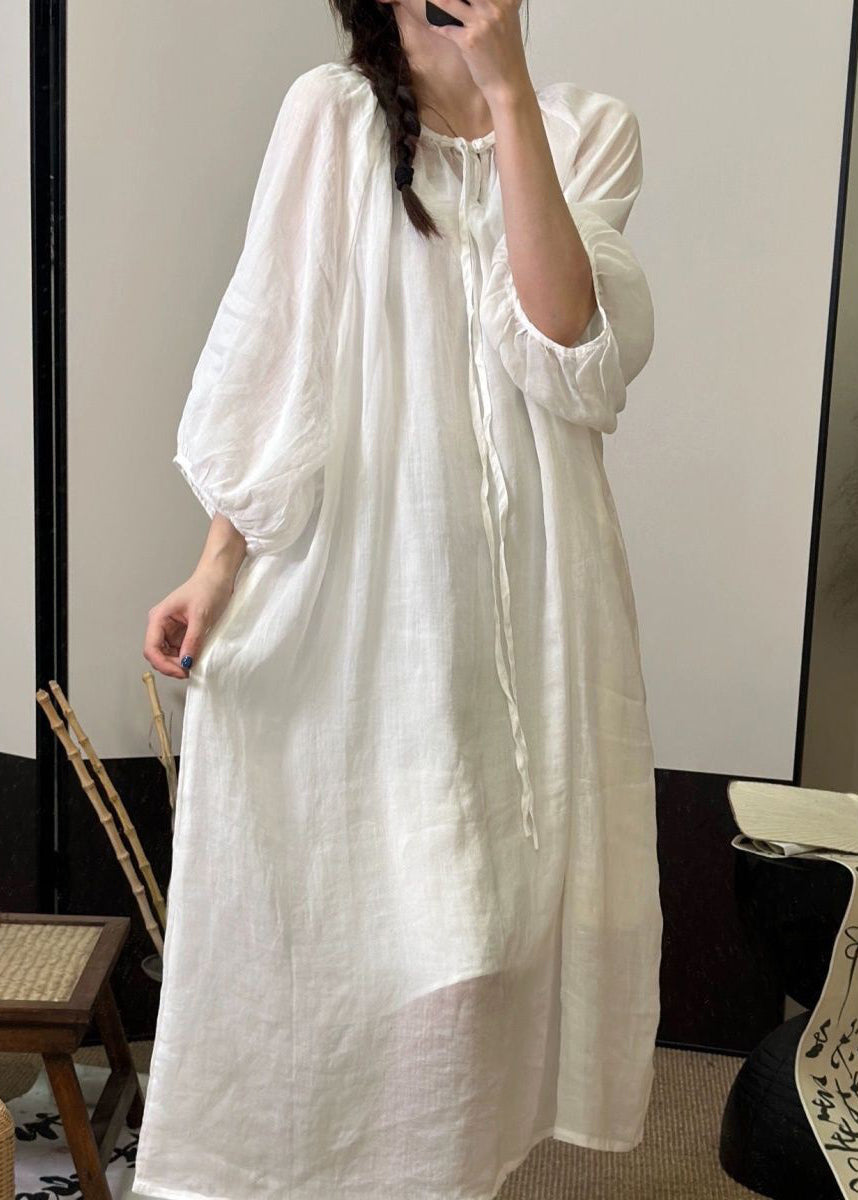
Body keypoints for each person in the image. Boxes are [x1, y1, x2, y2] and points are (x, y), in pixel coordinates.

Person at [136, 1, 663, 1197]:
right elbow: (285, 360)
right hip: (370, 607)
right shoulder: (333, 118)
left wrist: (508, 91)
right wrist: (218, 564)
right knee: (383, 935)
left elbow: (566, 344)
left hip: (530, 614)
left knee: (491, 951)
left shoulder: (587, 131)